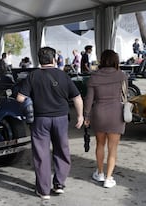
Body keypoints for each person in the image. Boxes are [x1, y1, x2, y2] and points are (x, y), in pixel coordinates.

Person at [16, 47, 84, 200]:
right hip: (60, 118)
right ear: (54, 59)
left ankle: (43, 190)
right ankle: (59, 184)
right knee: (62, 150)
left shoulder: (33, 76)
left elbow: (20, 98)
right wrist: (80, 116)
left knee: (41, 154)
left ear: (39, 60)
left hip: (40, 120)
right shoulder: (63, 75)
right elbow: (77, 98)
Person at [83, 49, 127, 189]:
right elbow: (125, 96)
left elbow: (89, 99)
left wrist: (86, 116)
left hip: (99, 113)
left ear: (102, 60)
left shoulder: (94, 77)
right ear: (115, 60)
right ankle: (109, 178)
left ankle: (100, 173)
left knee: (100, 144)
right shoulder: (122, 75)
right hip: (116, 113)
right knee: (113, 148)